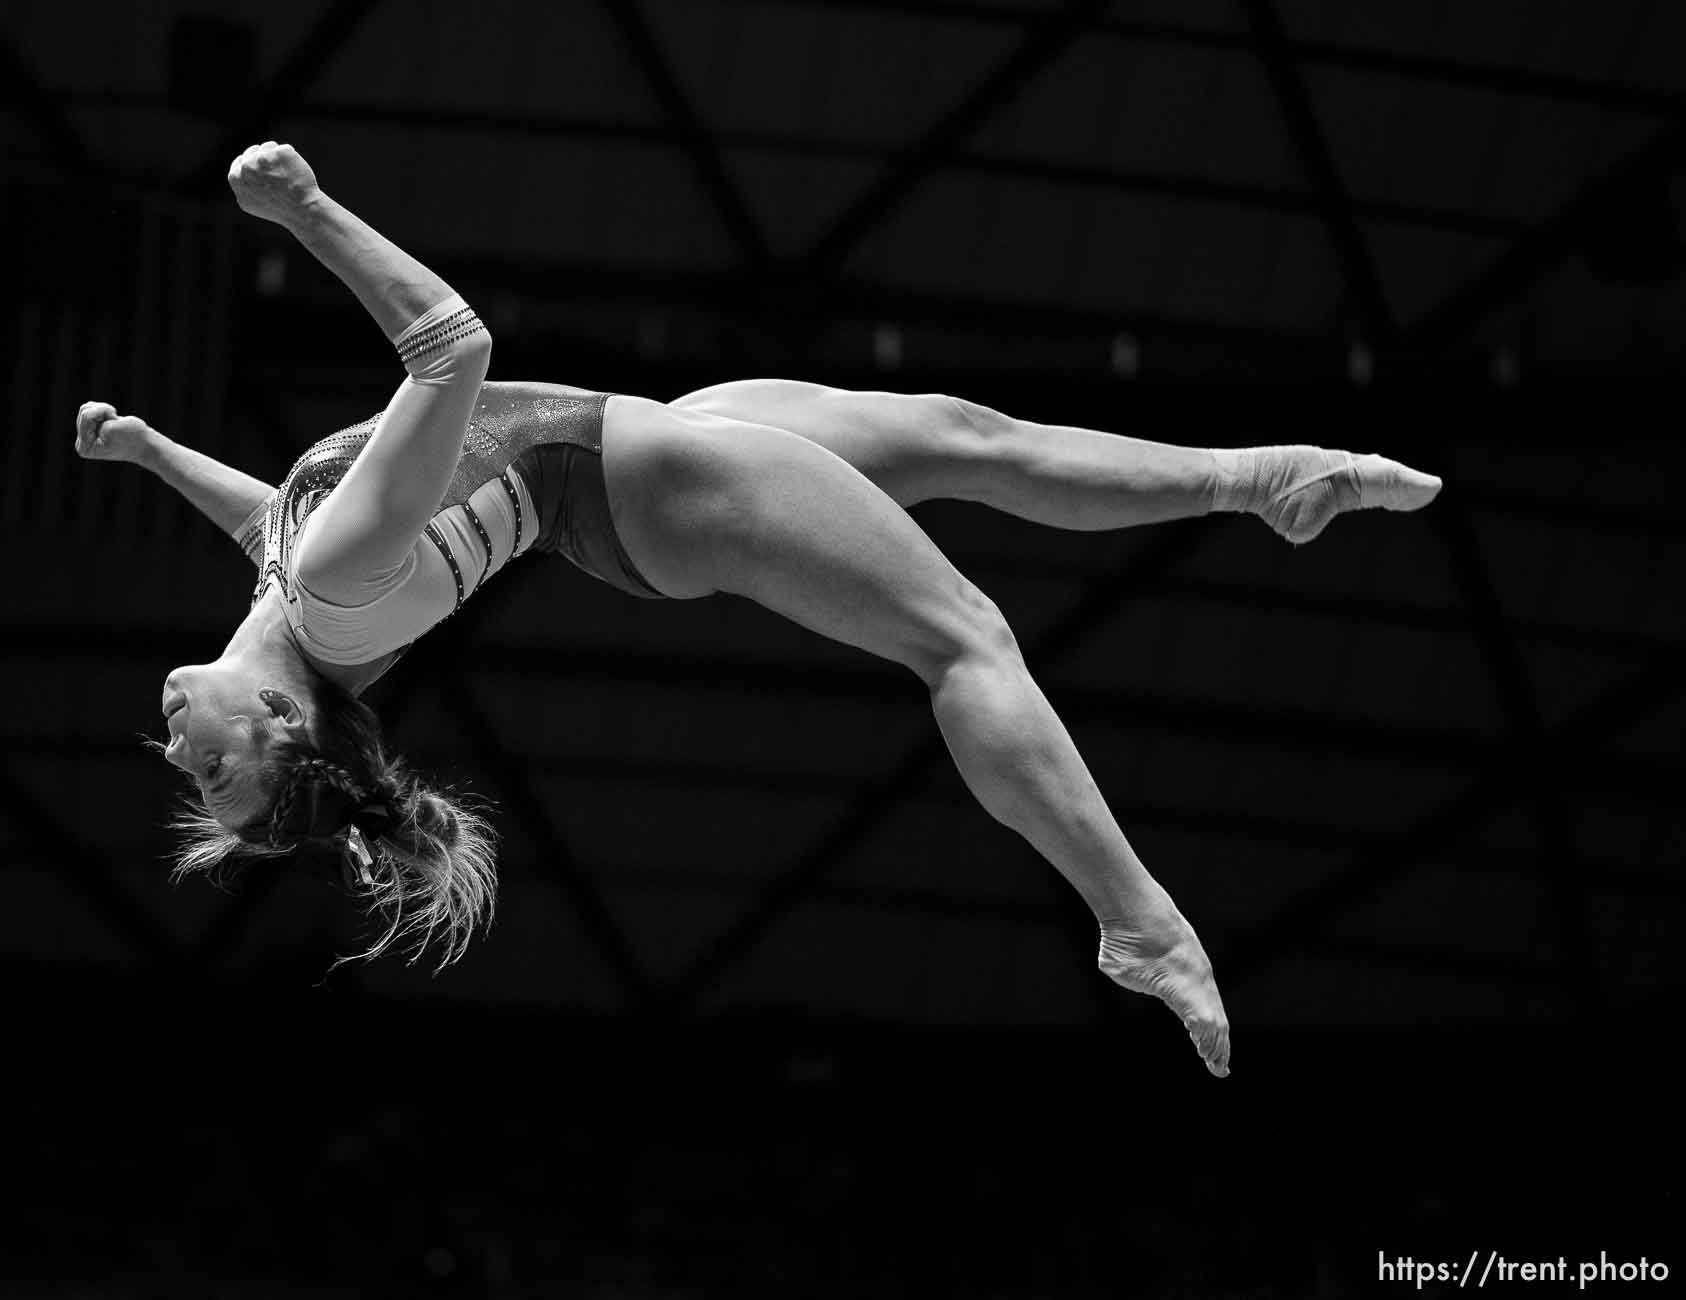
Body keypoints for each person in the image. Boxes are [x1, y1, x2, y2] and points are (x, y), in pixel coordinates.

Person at [77, 142, 1443, 1078]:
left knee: (960, 434)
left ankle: (1260, 480)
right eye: (216, 771)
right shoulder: (328, 588)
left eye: (190, 774)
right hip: (647, 484)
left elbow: (268, 519)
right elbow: (451, 346)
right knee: (960, 635)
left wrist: (148, 454)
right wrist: (305, 209)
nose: (177, 752)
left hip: (634, 457)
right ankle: (1135, 920)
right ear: (277, 722)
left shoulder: (300, 592)